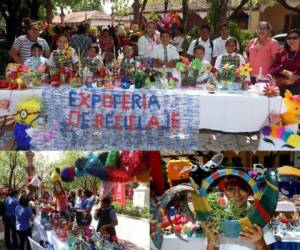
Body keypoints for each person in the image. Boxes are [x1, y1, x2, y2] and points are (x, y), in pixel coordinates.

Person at [205, 176, 275, 250]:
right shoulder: (217, 216)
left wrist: (261, 244)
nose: (237, 194)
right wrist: (210, 243)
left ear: (249, 191)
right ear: (225, 191)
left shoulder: (259, 216)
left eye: (242, 188)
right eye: (231, 189)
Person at [270, 28, 300, 95]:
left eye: (295, 38)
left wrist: (295, 78)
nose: (291, 40)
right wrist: (286, 72)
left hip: (297, 88)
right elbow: (273, 67)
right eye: (289, 38)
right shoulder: (282, 51)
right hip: (281, 86)